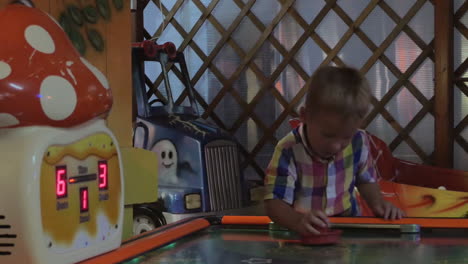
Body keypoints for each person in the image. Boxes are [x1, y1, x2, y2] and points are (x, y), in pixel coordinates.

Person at [264, 65, 405, 235]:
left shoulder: (359, 141)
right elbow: (275, 202)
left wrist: (379, 204)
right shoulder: (288, 150)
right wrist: (297, 221)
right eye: (328, 135)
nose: (336, 146)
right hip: (304, 231)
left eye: (346, 137)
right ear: (305, 116)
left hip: (348, 227)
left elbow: (366, 180)